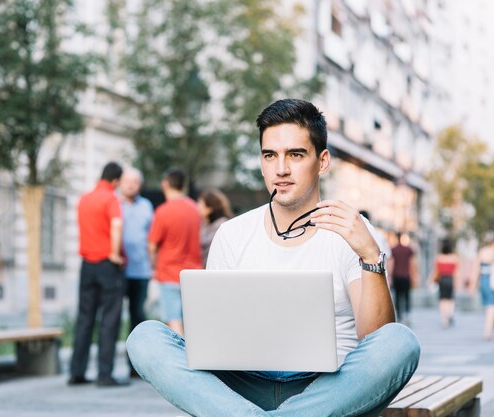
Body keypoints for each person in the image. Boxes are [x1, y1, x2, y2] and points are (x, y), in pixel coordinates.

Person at [126, 98, 420, 417]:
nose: (281, 169)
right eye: (270, 156)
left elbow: (375, 338)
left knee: (399, 342)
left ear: (322, 162)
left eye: (295, 154)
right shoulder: (233, 233)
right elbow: (213, 338)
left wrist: (370, 256)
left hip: (325, 389)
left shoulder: (352, 230)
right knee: (145, 338)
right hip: (242, 387)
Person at [68, 162, 128, 387]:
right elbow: (116, 225)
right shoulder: (111, 199)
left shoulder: (85, 198)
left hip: (86, 265)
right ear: (115, 181)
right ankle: (105, 375)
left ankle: (77, 372)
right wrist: (114, 253)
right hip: (106, 265)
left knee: (85, 319)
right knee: (109, 320)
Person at [148, 168, 202, 336]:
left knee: (174, 319)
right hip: (193, 272)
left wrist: (153, 267)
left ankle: (181, 359)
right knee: (192, 320)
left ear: (165, 184)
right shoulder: (195, 209)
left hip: (169, 272)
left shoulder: (163, 211)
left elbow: (152, 246)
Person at [118, 167, 154, 375]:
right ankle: (107, 369)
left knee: (137, 317)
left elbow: (151, 238)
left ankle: (136, 368)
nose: (131, 185)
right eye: (127, 181)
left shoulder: (146, 206)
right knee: (112, 318)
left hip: (140, 270)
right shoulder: (114, 204)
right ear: (121, 183)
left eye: (135, 182)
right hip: (118, 271)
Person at [198, 189, 234, 266]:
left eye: (201, 204)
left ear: (210, 208)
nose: (197, 207)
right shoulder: (204, 223)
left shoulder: (222, 224)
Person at [428, 238, 459, 328]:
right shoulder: (454, 258)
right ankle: (450, 314)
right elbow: (457, 273)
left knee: (442, 299)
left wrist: (430, 280)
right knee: (450, 299)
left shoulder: (439, 257)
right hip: (450, 279)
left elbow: (435, 271)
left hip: (442, 280)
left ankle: (444, 319)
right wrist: (456, 283)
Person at [389, 232, 418, 324]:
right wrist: (414, 275)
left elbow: (391, 263)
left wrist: (389, 276)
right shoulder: (408, 249)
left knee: (397, 296)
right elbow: (412, 263)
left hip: (396, 276)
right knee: (406, 296)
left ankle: (399, 315)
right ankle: (407, 313)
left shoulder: (393, 250)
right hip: (406, 276)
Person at [470, 237, 494, 339]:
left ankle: (489, 329)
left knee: (489, 305)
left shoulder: (483, 252)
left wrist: (473, 286)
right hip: (491, 280)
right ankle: (487, 331)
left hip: (484, 280)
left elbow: (476, 270)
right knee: (491, 306)